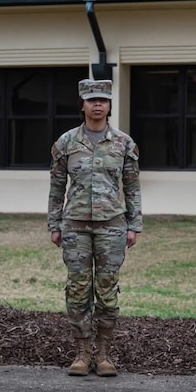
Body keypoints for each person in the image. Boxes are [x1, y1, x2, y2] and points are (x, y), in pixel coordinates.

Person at [48, 79, 142, 377]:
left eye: (103, 99)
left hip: (112, 226)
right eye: (92, 100)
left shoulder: (123, 143)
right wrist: (54, 222)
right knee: (77, 289)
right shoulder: (66, 143)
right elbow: (57, 186)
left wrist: (134, 224)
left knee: (107, 290)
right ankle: (81, 352)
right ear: (82, 105)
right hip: (74, 226)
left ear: (110, 105)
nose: (97, 104)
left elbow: (132, 186)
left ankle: (103, 354)